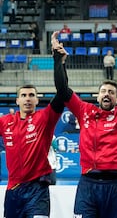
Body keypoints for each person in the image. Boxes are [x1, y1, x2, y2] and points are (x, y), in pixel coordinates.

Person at [51, 29, 117, 218]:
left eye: (111, 92)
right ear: (97, 96)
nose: (106, 94)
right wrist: (58, 60)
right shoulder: (84, 110)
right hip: (87, 185)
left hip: (113, 186)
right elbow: (62, 89)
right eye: (103, 91)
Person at [0, 84, 64, 217]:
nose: (27, 99)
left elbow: (62, 91)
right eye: (23, 95)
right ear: (17, 100)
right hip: (13, 190)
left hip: (38, 190)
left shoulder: (45, 117)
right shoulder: (5, 122)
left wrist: (59, 63)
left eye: (31, 95)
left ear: (37, 100)